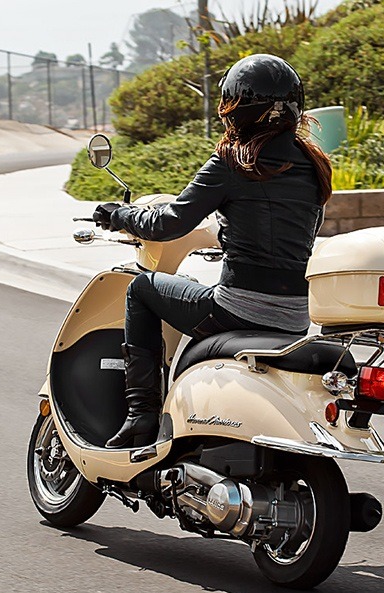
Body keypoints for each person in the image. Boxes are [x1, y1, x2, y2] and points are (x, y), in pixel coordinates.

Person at [92, 54, 333, 449]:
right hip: (294, 320)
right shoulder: (315, 165)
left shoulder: (233, 161)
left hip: (236, 310)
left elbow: (168, 223)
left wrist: (120, 215)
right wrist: (229, 235)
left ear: (235, 110)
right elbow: (299, 234)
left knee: (142, 290)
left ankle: (141, 415)